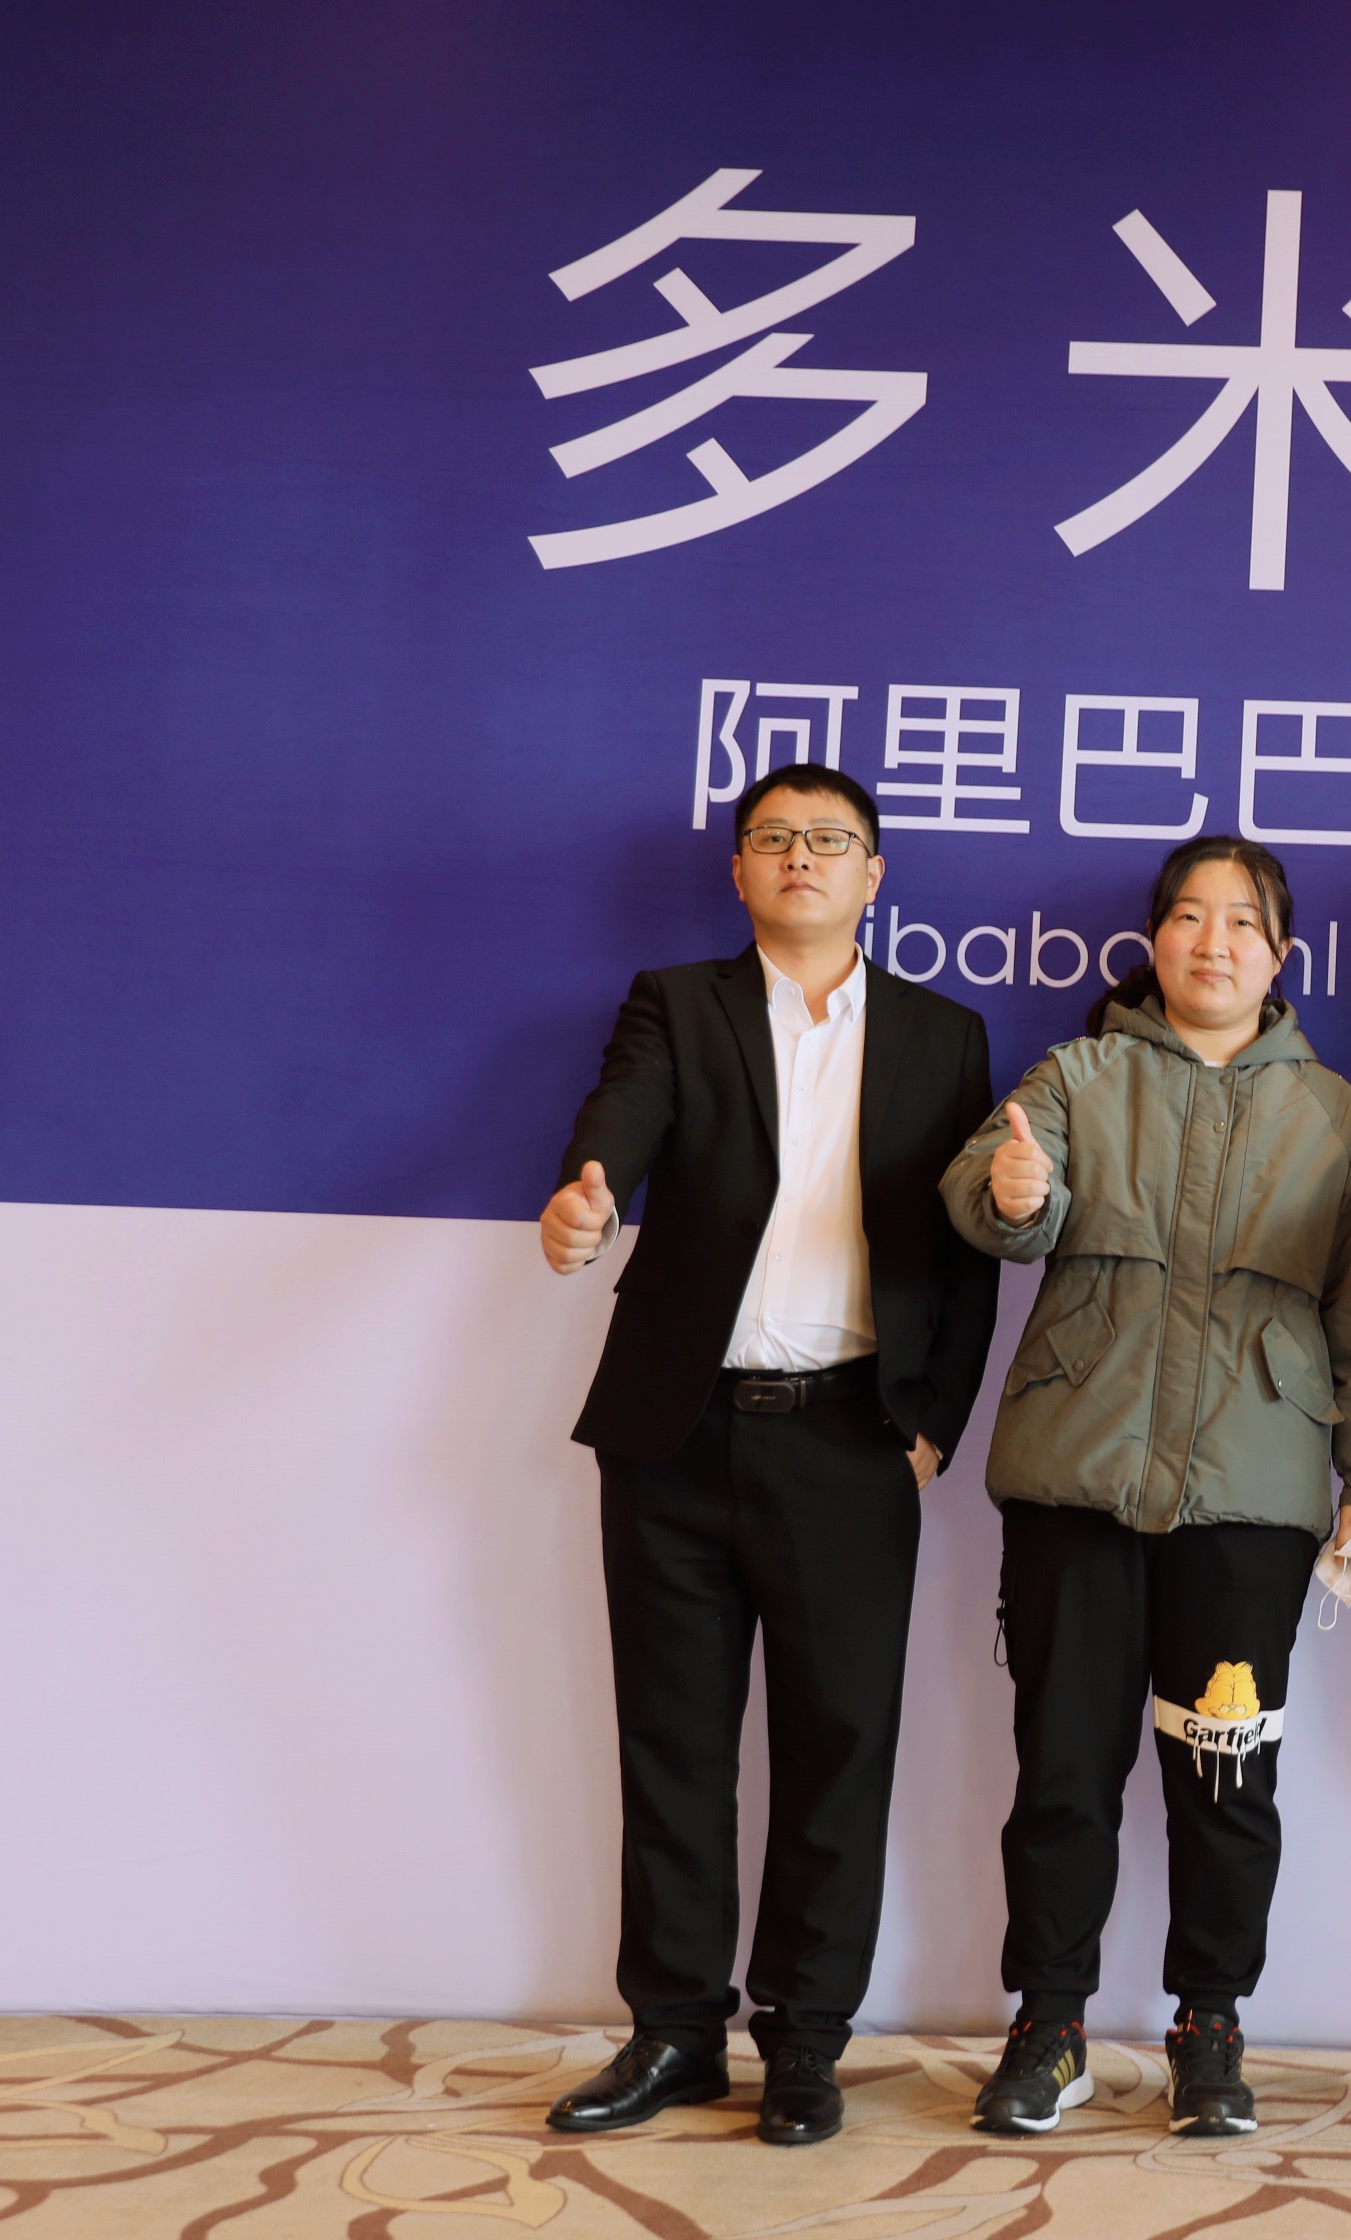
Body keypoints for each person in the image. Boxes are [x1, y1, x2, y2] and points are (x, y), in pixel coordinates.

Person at [535, 763, 1000, 2148]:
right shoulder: (677, 1005)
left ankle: (805, 2042)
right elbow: (621, 1121)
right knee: (673, 1748)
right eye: (775, 838)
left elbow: (966, 1260)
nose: (802, 856)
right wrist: (585, 1196)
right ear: (739, 870)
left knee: (838, 1754)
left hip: (853, 1440)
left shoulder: (942, 1034)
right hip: (675, 1436)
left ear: (875, 874)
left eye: (830, 839)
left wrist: (931, 1427)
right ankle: (676, 2032)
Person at [940, 836, 1351, 2140]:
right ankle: (1050, 2024)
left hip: (1251, 1499)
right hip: (1076, 1481)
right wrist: (1012, 1190)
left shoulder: (1335, 1116)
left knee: (1226, 1779)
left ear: (1281, 954)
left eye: (1243, 922)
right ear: (1155, 943)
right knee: (1063, 1772)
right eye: (1191, 918)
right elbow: (989, 1198)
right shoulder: (1078, 1077)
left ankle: (1212, 2026)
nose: (1215, 942)